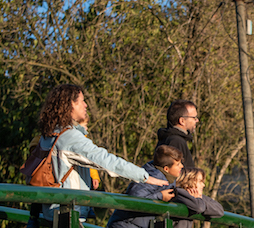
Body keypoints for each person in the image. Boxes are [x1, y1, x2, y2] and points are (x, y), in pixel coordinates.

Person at [35, 84, 168, 220]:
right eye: (82, 101)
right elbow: (106, 161)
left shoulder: (50, 134)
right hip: (68, 215)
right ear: (70, 105)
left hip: (51, 211)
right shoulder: (70, 137)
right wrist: (144, 176)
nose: (86, 105)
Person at [156, 100, 198, 168]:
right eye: (194, 118)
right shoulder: (176, 141)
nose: (197, 120)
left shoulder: (171, 138)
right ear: (182, 121)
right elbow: (175, 173)